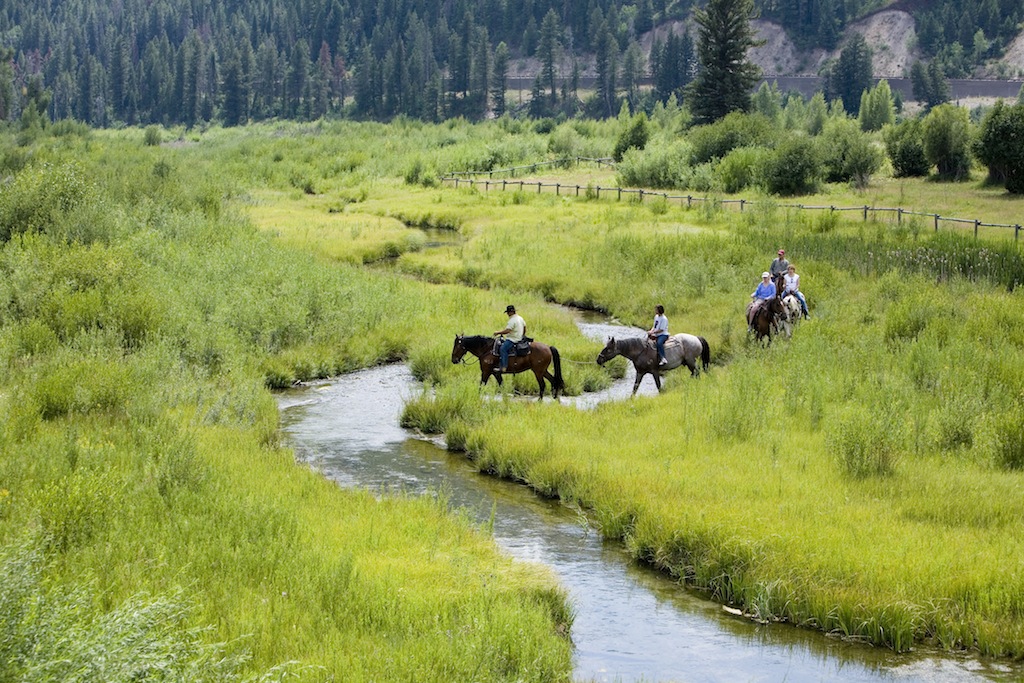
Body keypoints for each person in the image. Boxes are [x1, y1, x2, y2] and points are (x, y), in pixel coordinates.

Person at [494, 304, 526, 373]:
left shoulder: (512, 320)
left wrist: (498, 332)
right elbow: (524, 328)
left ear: (511, 312)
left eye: (508, 312)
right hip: (519, 338)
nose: (507, 314)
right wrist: (522, 335)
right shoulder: (520, 318)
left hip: (513, 339)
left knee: (503, 348)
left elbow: (507, 331)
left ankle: (504, 367)